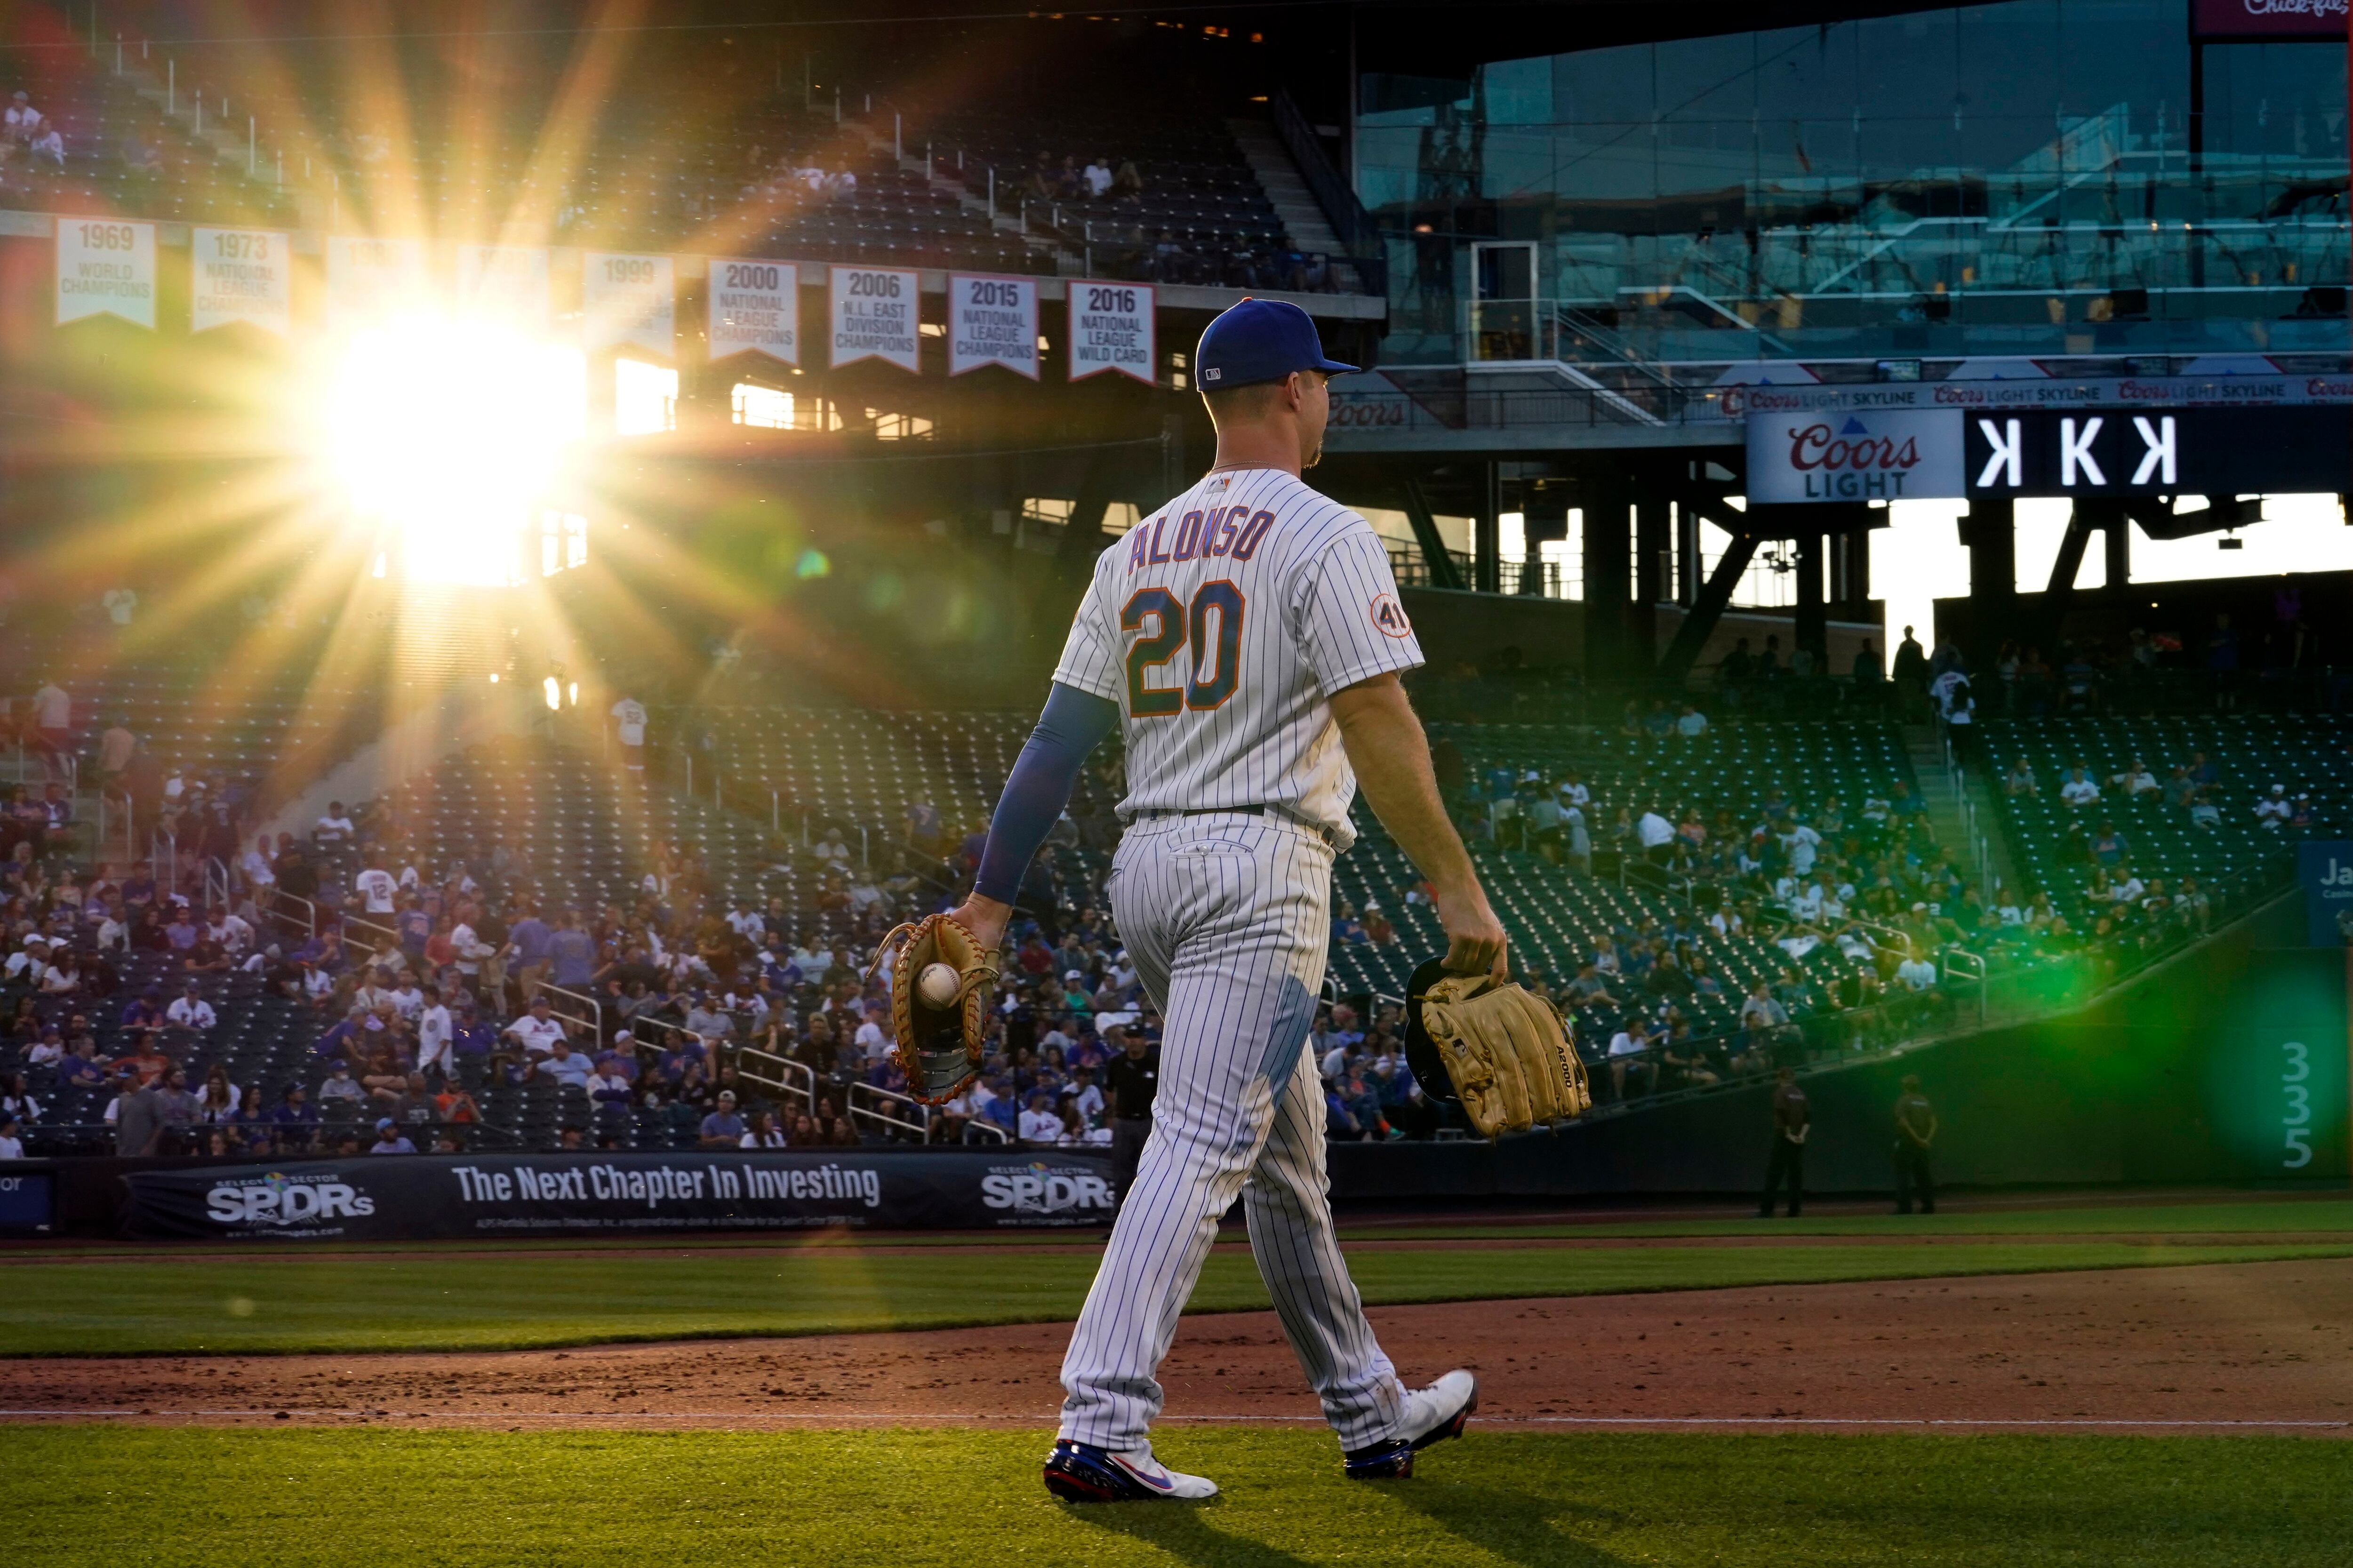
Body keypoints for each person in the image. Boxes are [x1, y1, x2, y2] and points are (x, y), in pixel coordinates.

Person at [941, 299, 1483, 1502]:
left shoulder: (1130, 550)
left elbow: (1054, 742)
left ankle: (1368, 1409)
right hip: (1260, 868)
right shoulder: (1326, 533)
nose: (1330, 399)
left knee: (1287, 1165)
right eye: (1325, 383)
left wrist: (989, 903)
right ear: (1293, 390)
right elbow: (1378, 718)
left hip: (1149, 868)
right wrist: (1459, 892)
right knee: (1199, 1141)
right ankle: (1100, 1418)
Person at [1759, 1067, 1809, 1218]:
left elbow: (1781, 1114)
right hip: (1799, 1137)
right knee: (1795, 1175)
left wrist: (1788, 1134)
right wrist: (1801, 1135)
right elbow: (1808, 1117)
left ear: (1780, 1079)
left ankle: (1767, 1210)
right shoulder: (1800, 1094)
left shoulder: (1780, 1093)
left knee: (1774, 1173)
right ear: (1793, 1078)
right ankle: (1795, 1210)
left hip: (1784, 1136)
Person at [1893, 1073, 1937, 1215]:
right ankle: (1928, 1206)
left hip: (1907, 1142)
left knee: (1903, 1176)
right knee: (1924, 1176)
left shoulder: (1904, 1101)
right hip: (1923, 1144)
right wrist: (1926, 1140)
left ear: (1905, 1087)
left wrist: (1917, 1139)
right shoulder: (1925, 1101)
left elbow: (1903, 1122)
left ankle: (1905, 1208)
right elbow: (1934, 1123)